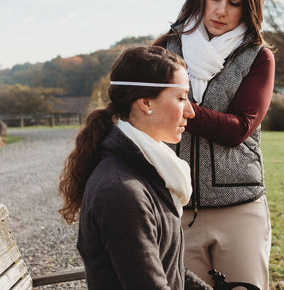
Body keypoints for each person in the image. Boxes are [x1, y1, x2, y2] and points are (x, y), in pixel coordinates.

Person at [154, 0, 275, 289]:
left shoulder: (258, 57)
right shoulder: (166, 48)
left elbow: (237, 128)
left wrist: (176, 106)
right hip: (176, 207)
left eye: (234, 2)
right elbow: (141, 113)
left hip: (240, 209)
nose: (221, 11)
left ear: (247, 7)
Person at [58, 46, 212, 290]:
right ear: (145, 102)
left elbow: (168, 268)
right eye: (182, 98)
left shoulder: (149, 169)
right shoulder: (122, 191)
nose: (191, 111)